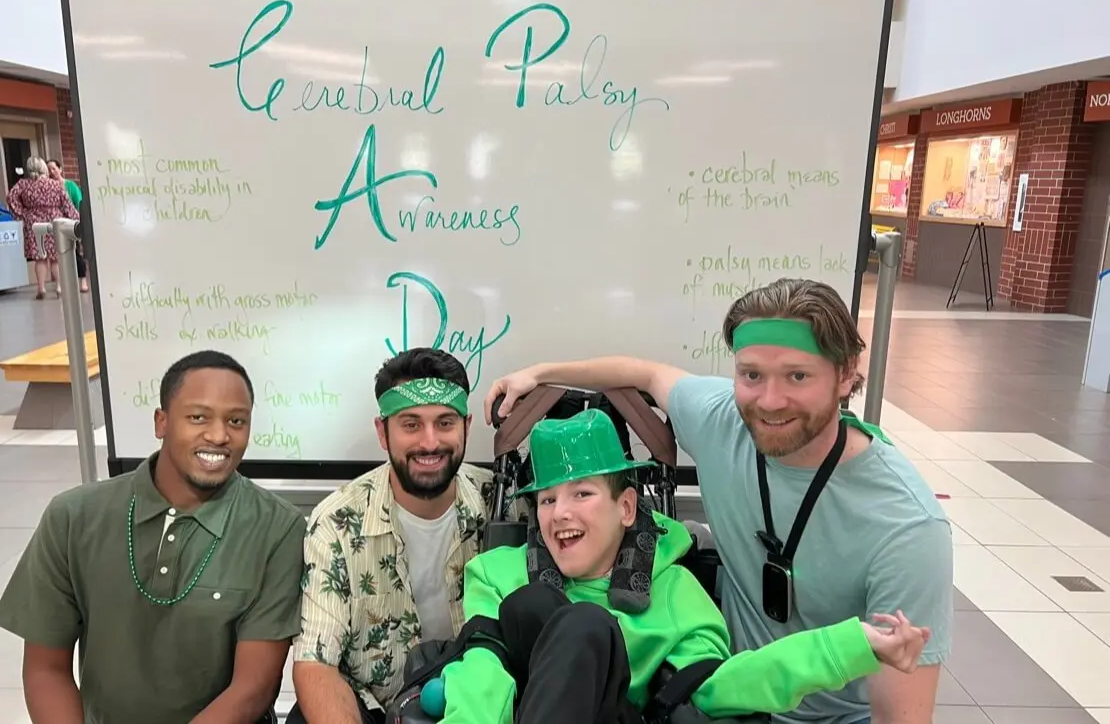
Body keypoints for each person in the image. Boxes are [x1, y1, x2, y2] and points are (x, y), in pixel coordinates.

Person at [486, 278, 953, 724]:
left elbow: (901, 715)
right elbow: (645, 372)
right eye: (752, 374)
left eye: (797, 375)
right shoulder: (722, 421)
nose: (770, 401)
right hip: (726, 696)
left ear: (846, 373)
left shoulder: (905, 525)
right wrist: (539, 374)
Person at [430, 409, 930, 724]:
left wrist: (853, 644)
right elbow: (481, 677)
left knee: (585, 626)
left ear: (626, 508)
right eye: (546, 499)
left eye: (581, 494)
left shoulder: (673, 590)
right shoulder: (497, 574)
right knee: (535, 604)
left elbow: (721, 685)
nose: (559, 513)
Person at [0, 350, 306, 724]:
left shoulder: (278, 528)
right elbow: (46, 669)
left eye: (236, 421)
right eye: (198, 417)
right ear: (162, 422)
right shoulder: (73, 517)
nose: (219, 435)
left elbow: (253, 689)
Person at [289, 348, 501, 724]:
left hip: (483, 706)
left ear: (467, 426)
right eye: (411, 424)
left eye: (445, 422)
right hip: (376, 707)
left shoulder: (503, 506)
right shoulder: (337, 522)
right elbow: (316, 664)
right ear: (382, 432)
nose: (430, 442)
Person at [6, 155, 80, 299]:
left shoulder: (23, 184)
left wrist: (22, 213)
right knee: (55, 257)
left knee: (40, 257)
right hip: (54, 221)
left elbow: (11, 198)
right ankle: (59, 287)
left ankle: (41, 288)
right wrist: (76, 220)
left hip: (34, 223)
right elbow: (67, 204)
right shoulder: (55, 185)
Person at [46, 158, 89, 293]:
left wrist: (79, 221)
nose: (51, 172)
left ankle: (83, 280)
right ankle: (63, 283)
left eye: (54, 168)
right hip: (56, 224)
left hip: (71, 223)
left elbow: (79, 202)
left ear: (60, 169)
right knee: (58, 255)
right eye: (49, 169)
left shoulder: (70, 185)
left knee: (76, 252)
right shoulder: (48, 188)